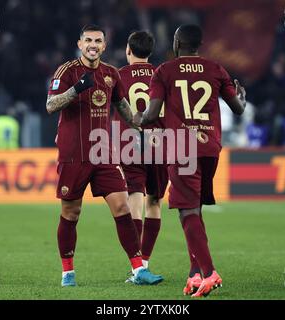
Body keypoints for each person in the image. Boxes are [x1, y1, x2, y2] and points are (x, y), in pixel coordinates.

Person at [46, 24, 163, 287]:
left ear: (104, 45)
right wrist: (76, 89)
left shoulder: (111, 73)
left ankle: (138, 270)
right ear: (79, 44)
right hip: (74, 154)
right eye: (88, 40)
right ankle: (68, 273)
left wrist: (144, 127)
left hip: (103, 154)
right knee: (71, 212)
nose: (93, 45)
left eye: (98, 41)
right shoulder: (67, 71)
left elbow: (124, 108)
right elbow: (50, 105)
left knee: (122, 206)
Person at [135, 24, 246, 297]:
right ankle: (194, 273)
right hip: (210, 148)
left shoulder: (164, 71)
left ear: (176, 42)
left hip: (182, 148)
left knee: (187, 211)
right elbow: (238, 108)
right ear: (199, 44)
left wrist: (135, 119)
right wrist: (241, 98)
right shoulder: (216, 69)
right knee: (194, 209)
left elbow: (152, 114)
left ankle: (209, 272)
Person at [113, 31, 168, 281]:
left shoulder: (119, 75)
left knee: (134, 199)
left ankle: (137, 266)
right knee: (154, 202)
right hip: (161, 143)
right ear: (151, 51)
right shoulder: (162, 75)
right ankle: (144, 261)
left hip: (130, 143)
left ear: (128, 50)